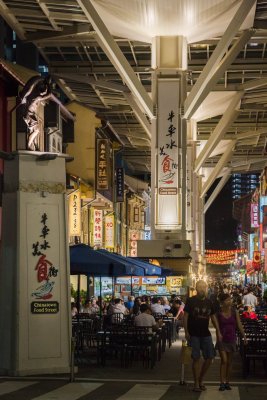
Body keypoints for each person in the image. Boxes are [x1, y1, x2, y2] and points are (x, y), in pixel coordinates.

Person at [183, 280, 222, 392]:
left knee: (210, 357)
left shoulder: (210, 302)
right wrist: (186, 331)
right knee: (196, 358)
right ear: (196, 288)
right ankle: (196, 383)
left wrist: (218, 331)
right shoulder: (190, 301)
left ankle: (200, 379)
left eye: (204, 287)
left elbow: (213, 317)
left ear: (206, 288)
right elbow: (185, 316)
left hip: (206, 333)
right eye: (200, 287)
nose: (202, 289)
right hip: (194, 334)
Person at [216, 293, 247, 391]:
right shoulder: (218, 313)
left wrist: (244, 336)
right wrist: (218, 333)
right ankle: (221, 382)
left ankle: (227, 382)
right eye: (227, 300)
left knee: (229, 362)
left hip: (232, 339)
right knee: (224, 361)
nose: (230, 301)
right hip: (222, 339)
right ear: (222, 302)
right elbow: (216, 325)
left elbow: (239, 324)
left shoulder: (234, 311)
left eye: (230, 299)